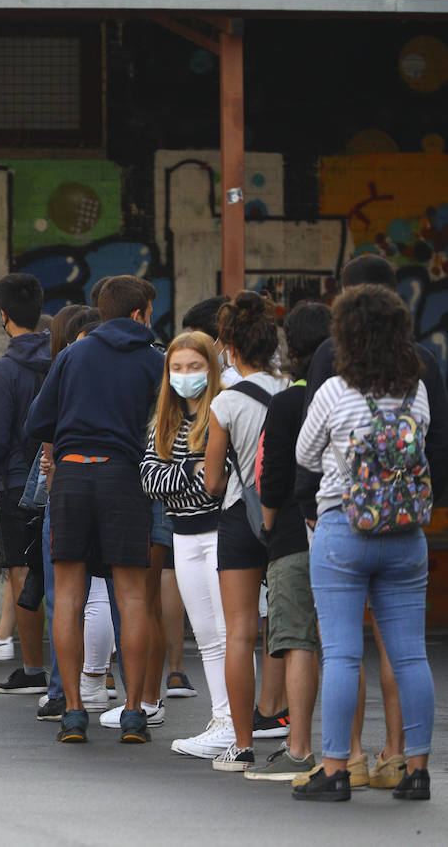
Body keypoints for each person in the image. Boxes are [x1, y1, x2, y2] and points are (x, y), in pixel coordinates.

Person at [302, 255, 445, 791]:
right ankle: (416, 770)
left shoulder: (336, 392)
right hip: (406, 536)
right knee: (410, 655)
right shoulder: (418, 390)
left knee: (341, 652)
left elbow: (305, 452)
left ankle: (338, 769)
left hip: (343, 529)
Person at [24, 275, 163, 746]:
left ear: (102, 311)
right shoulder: (153, 361)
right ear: (141, 312)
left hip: (73, 477)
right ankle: (133, 713)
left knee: (68, 596)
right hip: (125, 476)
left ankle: (74, 713)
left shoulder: (72, 355)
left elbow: (37, 422)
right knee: (132, 597)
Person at [242, 301, 331, 782]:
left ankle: (298, 749)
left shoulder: (288, 403)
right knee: (339, 646)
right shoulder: (350, 394)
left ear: (291, 349)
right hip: (349, 532)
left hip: (296, 535)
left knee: (296, 641)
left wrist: (270, 527)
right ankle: (349, 752)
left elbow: (272, 480)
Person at [201, 292, 289, 772]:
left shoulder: (226, 401)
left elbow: (214, 480)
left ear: (230, 348)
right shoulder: (294, 391)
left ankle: (241, 743)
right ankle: (294, 735)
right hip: (287, 520)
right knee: (293, 629)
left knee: (240, 633)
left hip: (240, 518)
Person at [141, 330, 232, 759]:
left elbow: (217, 484)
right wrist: (189, 473)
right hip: (183, 536)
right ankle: (221, 719)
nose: (185, 375)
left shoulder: (222, 412)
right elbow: (148, 478)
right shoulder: (165, 420)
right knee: (207, 637)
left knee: (229, 633)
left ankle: (234, 722)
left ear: (209, 369)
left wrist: (181, 478)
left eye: (194, 367)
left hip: (219, 534)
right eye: (177, 368)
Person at [0, 275, 51, 693]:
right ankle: (86, 671)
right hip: (58, 477)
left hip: (14, 482)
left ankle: (33, 668)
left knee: (22, 573)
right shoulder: (63, 358)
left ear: (4, 315)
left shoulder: (4, 370)